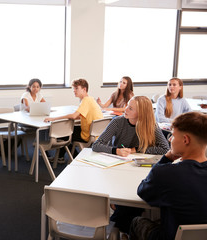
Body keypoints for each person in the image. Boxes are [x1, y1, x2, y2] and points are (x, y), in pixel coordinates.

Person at [92, 96, 169, 235]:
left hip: (138, 170)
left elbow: (165, 149)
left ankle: (120, 224)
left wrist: (136, 149)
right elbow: (96, 145)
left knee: (134, 195)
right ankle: (124, 226)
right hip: (117, 168)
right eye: (127, 105)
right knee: (131, 202)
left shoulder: (151, 125)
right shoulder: (118, 122)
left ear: (141, 113)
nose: (125, 109)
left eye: (130, 108)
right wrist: (116, 150)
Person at [129, 112, 207, 240]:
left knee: (137, 222)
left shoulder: (166, 173)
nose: (170, 139)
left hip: (171, 236)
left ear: (185, 140)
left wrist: (166, 158)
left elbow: (143, 191)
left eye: (173, 135)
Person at [44, 79, 103, 161]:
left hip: (88, 135)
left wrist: (53, 119)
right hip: (96, 134)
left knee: (64, 133)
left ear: (84, 89)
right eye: (73, 89)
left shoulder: (85, 100)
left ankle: (75, 157)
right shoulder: (91, 99)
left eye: (76, 88)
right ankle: (61, 157)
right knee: (67, 131)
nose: (74, 91)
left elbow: (74, 116)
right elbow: (80, 116)